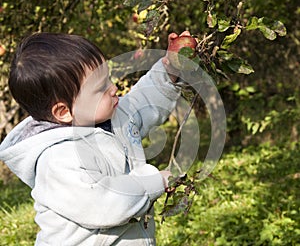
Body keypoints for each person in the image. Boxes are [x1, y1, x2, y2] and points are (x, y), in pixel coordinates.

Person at [0, 31, 190, 245]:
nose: (113, 88)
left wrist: (169, 70)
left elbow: (142, 101)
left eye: (108, 78)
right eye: (100, 88)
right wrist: (153, 182)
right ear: (63, 111)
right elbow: (107, 202)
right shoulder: (57, 159)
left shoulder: (111, 117)